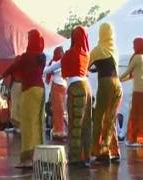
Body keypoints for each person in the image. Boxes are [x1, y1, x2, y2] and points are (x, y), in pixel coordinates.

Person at [0, 29, 46, 168]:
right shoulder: (42, 57)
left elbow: (13, 67)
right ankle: (39, 155)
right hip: (41, 90)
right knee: (37, 122)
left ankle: (27, 158)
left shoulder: (27, 56)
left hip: (29, 90)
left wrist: (1, 76)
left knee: (27, 123)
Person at [89, 23, 122, 162]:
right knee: (110, 118)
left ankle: (101, 152)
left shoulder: (98, 49)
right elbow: (108, 65)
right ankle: (113, 151)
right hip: (117, 85)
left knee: (99, 117)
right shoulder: (114, 49)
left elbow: (87, 65)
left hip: (106, 84)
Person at [61, 26, 92, 167]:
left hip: (75, 88)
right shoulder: (87, 54)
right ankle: (86, 156)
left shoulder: (68, 54)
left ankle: (75, 157)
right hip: (87, 88)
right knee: (86, 123)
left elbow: (64, 73)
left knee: (75, 123)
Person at [119, 37, 143, 146]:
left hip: (138, 91)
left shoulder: (137, 57)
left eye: (134, 45)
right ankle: (139, 138)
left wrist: (116, 78)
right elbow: (133, 75)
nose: (133, 47)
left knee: (135, 114)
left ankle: (133, 139)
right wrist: (120, 80)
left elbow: (128, 72)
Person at [43, 46, 67, 139]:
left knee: (59, 110)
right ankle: (59, 130)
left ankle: (59, 130)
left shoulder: (58, 62)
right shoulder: (60, 62)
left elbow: (46, 70)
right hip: (61, 87)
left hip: (59, 87)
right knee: (60, 110)